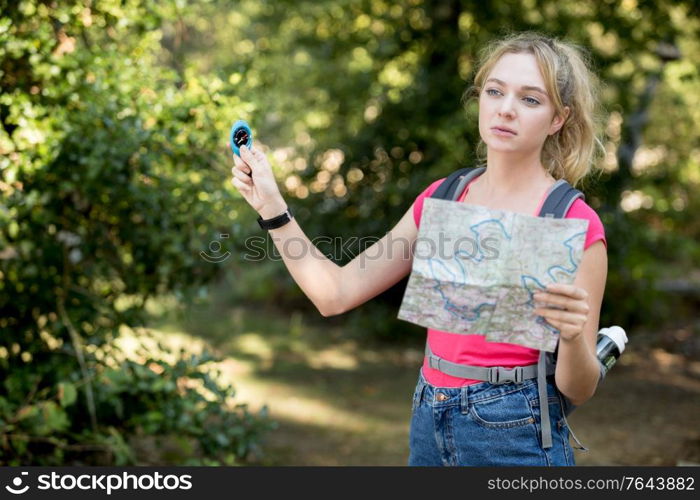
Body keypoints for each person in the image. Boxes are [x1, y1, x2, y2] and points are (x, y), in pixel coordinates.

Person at [229, 31, 607, 466]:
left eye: (530, 99)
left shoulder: (573, 222)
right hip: (429, 421)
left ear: (558, 119)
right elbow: (333, 293)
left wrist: (574, 336)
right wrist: (274, 209)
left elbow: (579, 388)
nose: (505, 108)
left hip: (516, 436)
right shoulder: (442, 198)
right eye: (495, 91)